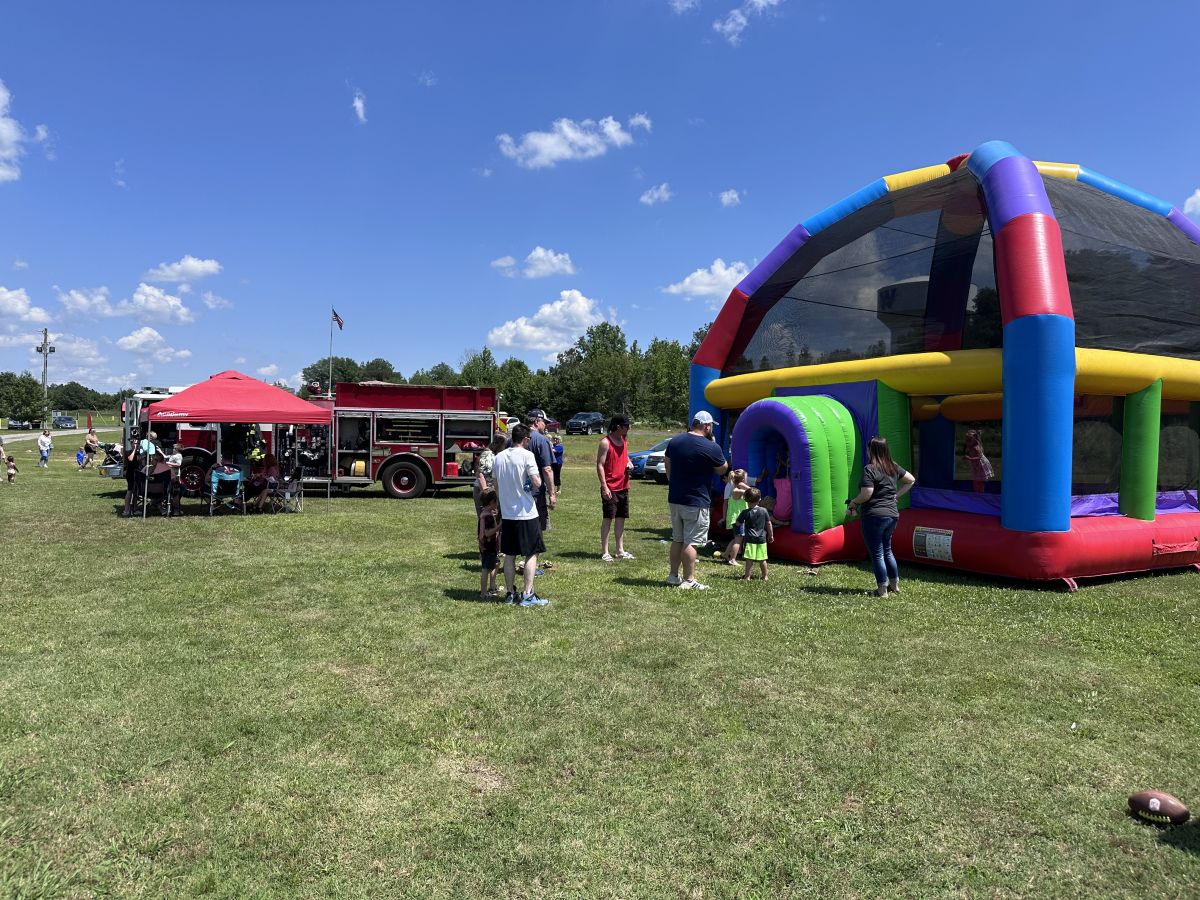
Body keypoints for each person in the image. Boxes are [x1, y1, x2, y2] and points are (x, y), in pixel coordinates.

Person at [664, 410, 729, 590]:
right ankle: (689, 580)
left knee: (677, 538)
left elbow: (667, 459)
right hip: (696, 500)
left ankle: (673, 576)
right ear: (706, 426)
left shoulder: (675, 441)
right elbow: (722, 469)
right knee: (691, 541)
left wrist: (671, 479)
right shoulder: (710, 446)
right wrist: (714, 446)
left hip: (675, 497)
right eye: (711, 427)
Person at [847, 435, 917, 598]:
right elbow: (911, 480)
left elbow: (867, 493)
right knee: (887, 550)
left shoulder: (870, 469)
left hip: (874, 516)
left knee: (877, 553)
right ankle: (894, 585)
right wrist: (896, 495)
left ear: (871, 450)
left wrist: (854, 502)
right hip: (892, 515)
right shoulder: (893, 467)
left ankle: (882, 590)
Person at [491, 424, 548, 607]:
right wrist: (532, 484)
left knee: (510, 554)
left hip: (507, 513)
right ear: (525, 440)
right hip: (526, 512)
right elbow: (537, 482)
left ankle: (509, 593)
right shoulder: (527, 455)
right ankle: (527, 594)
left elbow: (496, 483)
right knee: (532, 553)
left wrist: (502, 502)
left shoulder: (499, 457)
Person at [596, 414, 634, 561]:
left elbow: (626, 456)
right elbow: (600, 465)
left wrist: (629, 463)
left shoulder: (624, 440)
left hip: (623, 485)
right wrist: (604, 486)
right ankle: (605, 552)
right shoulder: (605, 442)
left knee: (620, 518)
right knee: (608, 518)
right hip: (610, 486)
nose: (628, 429)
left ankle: (620, 550)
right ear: (618, 427)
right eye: (626, 426)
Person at [526, 409, 557, 535]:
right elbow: (547, 469)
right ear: (537, 422)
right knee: (537, 525)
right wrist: (552, 493)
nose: (546, 425)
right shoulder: (542, 440)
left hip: (516, 489)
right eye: (544, 422)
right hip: (535, 490)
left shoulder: (514, 439)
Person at [734, 487, 774, 581]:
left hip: (750, 539)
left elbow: (738, 523)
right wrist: (771, 535)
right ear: (760, 499)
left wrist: (738, 520)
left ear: (746, 500)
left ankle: (747, 576)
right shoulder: (764, 511)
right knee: (762, 559)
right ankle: (765, 576)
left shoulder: (745, 512)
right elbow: (769, 523)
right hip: (761, 539)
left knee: (749, 559)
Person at [721, 469, 750, 565]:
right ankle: (732, 559)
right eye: (745, 478)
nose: (747, 480)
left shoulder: (735, 489)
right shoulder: (737, 491)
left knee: (735, 538)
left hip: (737, 518)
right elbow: (752, 492)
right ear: (742, 480)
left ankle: (726, 554)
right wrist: (743, 485)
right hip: (738, 518)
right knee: (738, 539)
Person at [473, 433, 508, 514]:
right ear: (499, 444)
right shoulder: (488, 455)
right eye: (504, 445)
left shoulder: (495, 454)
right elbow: (481, 475)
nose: (505, 448)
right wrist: (486, 494)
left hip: (491, 491)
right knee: (486, 519)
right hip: (485, 491)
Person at [477, 488, 501, 599]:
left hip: (488, 547)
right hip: (488, 546)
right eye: (497, 501)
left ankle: (492, 586)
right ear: (492, 502)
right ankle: (483, 593)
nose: (498, 504)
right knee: (486, 569)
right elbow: (487, 533)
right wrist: (500, 526)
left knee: (496, 563)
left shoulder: (485, 513)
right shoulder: (487, 516)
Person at [164, 441, 184, 516]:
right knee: (172, 492)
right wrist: (160, 451)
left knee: (175, 492)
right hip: (170, 475)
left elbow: (179, 464)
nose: (173, 449)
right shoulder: (173, 455)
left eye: (174, 448)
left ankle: (176, 509)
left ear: (177, 449)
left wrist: (169, 463)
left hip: (175, 476)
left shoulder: (178, 456)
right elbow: (166, 457)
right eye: (173, 448)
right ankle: (173, 508)